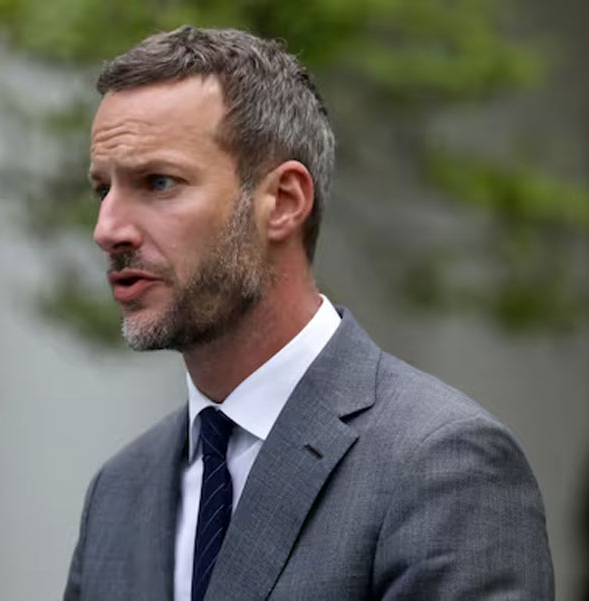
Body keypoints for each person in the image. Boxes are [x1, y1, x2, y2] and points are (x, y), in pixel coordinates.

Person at [64, 26, 554, 601]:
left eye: (159, 182)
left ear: (283, 201)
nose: (107, 230)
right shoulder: (120, 490)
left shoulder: (439, 464)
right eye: (103, 190)